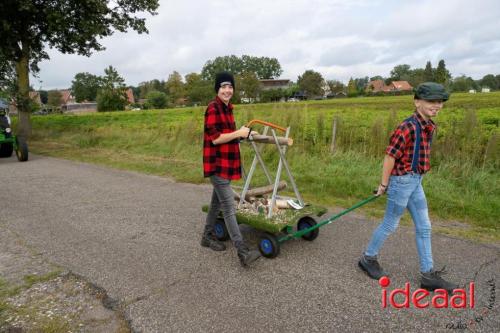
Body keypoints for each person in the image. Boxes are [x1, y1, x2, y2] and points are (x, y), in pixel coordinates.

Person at [358, 82, 458, 293]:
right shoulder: (407, 127)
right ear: (417, 102)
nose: (437, 105)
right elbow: (389, 156)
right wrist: (384, 184)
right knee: (390, 224)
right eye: (431, 101)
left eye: (440, 102)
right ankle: (368, 258)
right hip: (402, 183)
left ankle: (428, 275)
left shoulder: (429, 125)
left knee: (424, 226)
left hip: (416, 182)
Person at [201, 71, 261, 267]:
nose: (227, 90)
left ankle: (207, 237)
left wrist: (247, 133)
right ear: (217, 89)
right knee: (228, 207)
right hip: (217, 165)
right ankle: (242, 251)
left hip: (226, 164)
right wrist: (239, 132)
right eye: (223, 86)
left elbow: (230, 135)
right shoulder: (213, 108)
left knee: (217, 203)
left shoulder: (228, 108)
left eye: (230, 87)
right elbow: (217, 138)